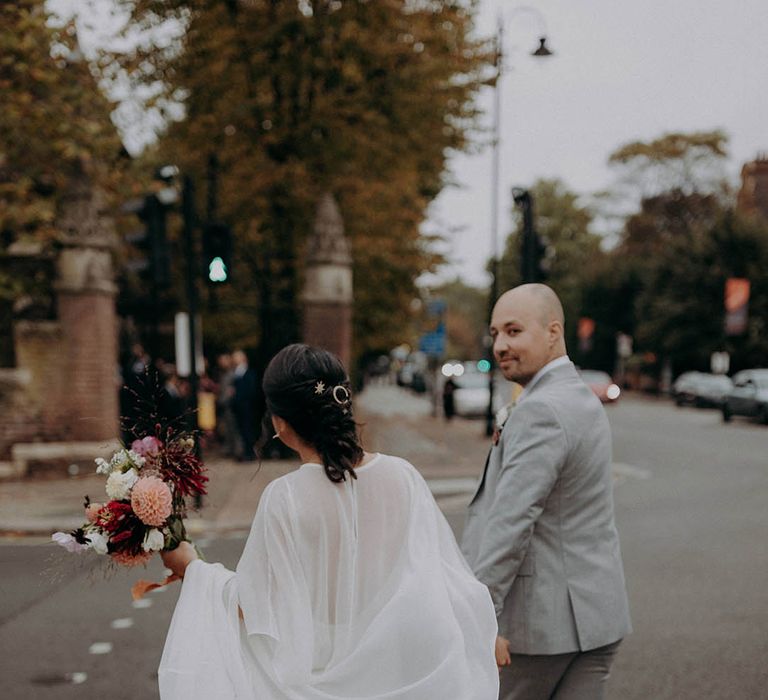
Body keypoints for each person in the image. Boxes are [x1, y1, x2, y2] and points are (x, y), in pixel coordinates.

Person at [159, 343, 499, 700]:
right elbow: (436, 578)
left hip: (315, 672)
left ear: (280, 422)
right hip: (396, 672)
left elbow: (256, 608)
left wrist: (194, 569)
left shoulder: (285, 497)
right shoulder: (403, 477)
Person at [461, 284, 632, 700]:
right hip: (596, 617)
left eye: (514, 331)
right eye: (496, 333)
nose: (500, 344)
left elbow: (511, 521)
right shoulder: (581, 399)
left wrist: (480, 616)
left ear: (553, 332)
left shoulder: (540, 410)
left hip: (539, 630)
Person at [231, 349, 257, 461]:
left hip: (246, 406)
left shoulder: (248, 373)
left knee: (247, 429)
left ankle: (249, 452)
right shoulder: (237, 373)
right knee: (241, 430)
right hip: (239, 406)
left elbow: (250, 390)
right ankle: (245, 451)